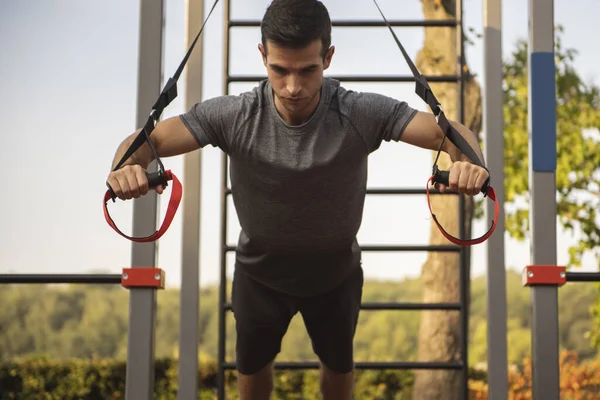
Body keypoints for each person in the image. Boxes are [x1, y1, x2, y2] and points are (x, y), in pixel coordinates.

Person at [106, 0, 489, 398]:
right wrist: (123, 172)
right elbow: (140, 146)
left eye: (308, 70)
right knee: (252, 370)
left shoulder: (358, 111)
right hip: (260, 276)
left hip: (336, 275)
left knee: (339, 368)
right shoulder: (235, 116)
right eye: (279, 70)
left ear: (328, 57)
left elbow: (454, 135)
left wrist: (469, 164)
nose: (293, 86)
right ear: (262, 57)